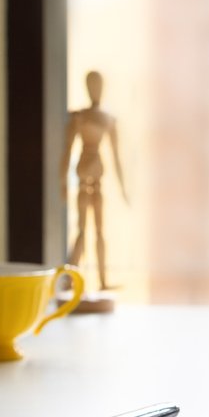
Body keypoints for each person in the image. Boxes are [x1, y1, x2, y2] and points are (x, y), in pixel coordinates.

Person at [59, 70, 128, 291]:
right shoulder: (79, 117)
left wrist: (124, 188)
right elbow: (67, 151)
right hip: (82, 178)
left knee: (99, 231)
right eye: (92, 85)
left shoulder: (107, 119)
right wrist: (63, 182)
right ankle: (70, 279)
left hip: (97, 177)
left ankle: (102, 281)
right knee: (81, 229)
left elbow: (117, 157)